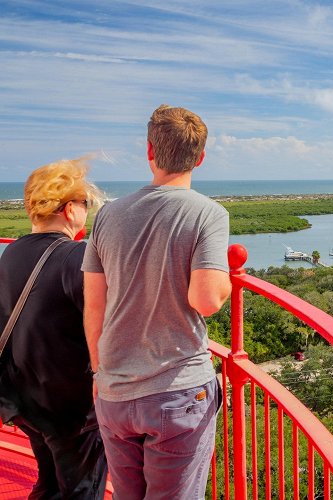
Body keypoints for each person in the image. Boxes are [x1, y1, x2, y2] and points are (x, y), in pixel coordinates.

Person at [82, 105, 232, 499]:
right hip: (176, 390)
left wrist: (100, 373)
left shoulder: (108, 216)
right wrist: (228, 283)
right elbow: (207, 299)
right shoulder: (207, 213)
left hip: (114, 391)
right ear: (199, 158)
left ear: (150, 151)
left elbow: (94, 305)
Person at [0, 159, 108, 499]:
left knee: (48, 484)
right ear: (68, 209)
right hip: (69, 411)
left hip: (23, 400)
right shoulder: (77, 257)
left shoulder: (11, 252)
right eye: (84, 204)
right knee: (82, 490)